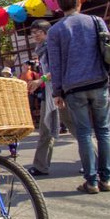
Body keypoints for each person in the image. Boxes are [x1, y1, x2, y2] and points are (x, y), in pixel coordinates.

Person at [48, 0, 110, 194]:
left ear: (59, 6)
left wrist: (57, 92)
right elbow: (108, 47)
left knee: (84, 133)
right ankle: (107, 178)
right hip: (99, 81)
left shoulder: (55, 31)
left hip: (73, 87)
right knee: (103, 130)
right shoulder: (96, 21)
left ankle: (91, 181)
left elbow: (55, 65)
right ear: (79, 2)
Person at [26, 19, 84, 176]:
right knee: (46, 129)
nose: (35, 36)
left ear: (47, 33)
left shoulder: (52, 48)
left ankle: (93, 161)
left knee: (75, 128)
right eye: (33, 33)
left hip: (62, 93)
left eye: (38, 32)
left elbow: (57, 70)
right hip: (50, 94)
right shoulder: (41, 49)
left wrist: (40, 80)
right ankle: (40, 165)